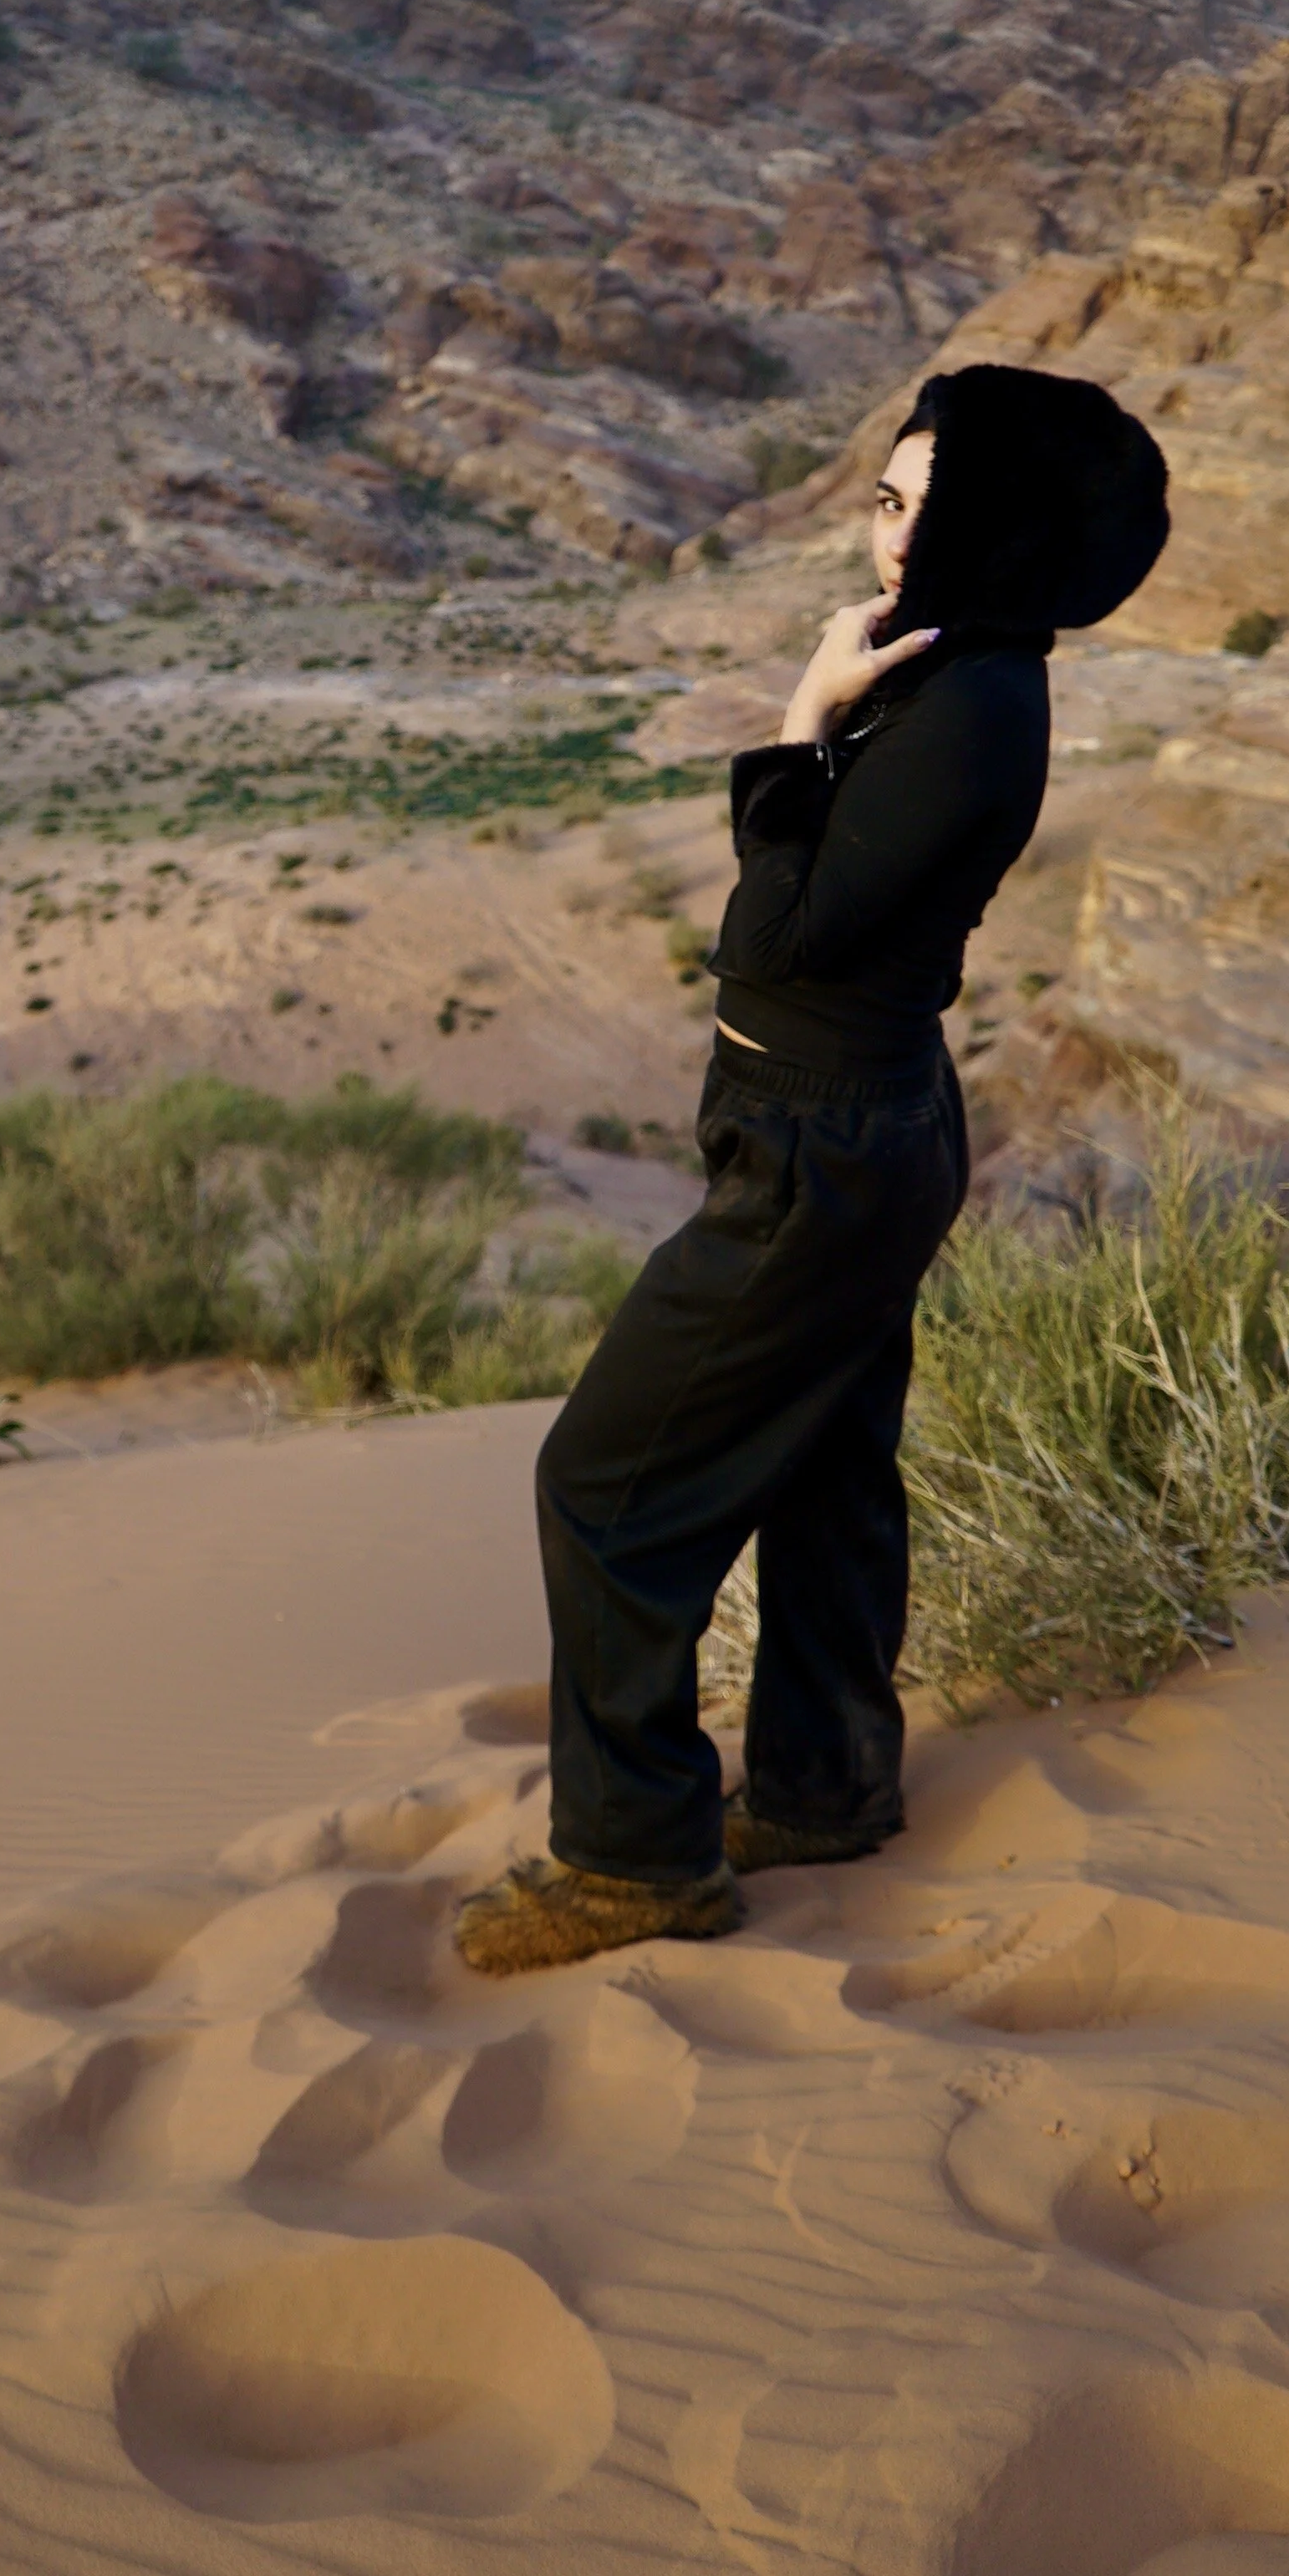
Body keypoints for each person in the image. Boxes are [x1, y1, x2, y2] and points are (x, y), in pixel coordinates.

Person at [455, 361, 1169, 1977]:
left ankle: (635, 1862)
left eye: (935, 509)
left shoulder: (970, 709)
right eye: (887, 500)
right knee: (826, 1468)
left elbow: (770, 940)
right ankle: (825, 1791)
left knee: (603, 1489)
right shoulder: (957, 670)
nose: (895, 546)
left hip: (823, 1141)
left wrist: (800, 724)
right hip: (859, 1127)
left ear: (1006, 528)